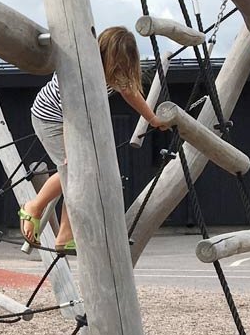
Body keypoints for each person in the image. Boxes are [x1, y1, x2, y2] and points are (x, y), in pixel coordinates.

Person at [19, 26, 168, 252]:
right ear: (104, 54)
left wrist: (153, 119)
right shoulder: (81, 69)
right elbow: (70, 109)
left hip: (74, 122)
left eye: (125, 63)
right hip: (49, 118)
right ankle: (34, 206)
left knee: (81, 176)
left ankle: (65, 236)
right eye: (117, 61)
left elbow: (130, 93)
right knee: (72, 171)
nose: (120, 68)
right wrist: (71, 152)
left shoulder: (113, 73)